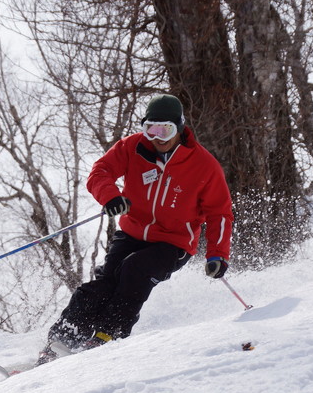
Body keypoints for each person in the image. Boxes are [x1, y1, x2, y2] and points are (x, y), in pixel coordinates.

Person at [36, 94, 233, 365]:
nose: (158, 137)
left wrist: (217, 255)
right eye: (151, 129)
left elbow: (219, 213)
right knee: (103, 283)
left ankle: (109, 334)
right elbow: (100, 172)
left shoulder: (203, 165)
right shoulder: (132, 147)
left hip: (173, 243)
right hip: (131, 233)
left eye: (166, 130)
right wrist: (111, 197)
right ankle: (64, 338)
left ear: (180, 128)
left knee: (134, 270)